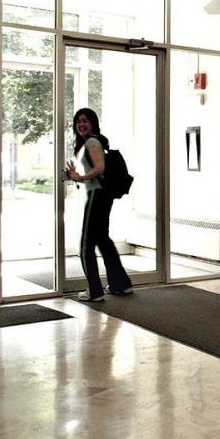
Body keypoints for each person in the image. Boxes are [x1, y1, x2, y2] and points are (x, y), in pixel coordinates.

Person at [65, 107, 134, 302]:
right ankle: (121, 284)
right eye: (78, 121)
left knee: (86, 244)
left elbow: (100, 168)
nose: (81, 125)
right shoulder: (98, 141)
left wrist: (79, 177)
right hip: (104, 195)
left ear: (93, 123)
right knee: (103, 240)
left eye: (85, 121)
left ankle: (94, 291)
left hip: (97, 194)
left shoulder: (92, 142)